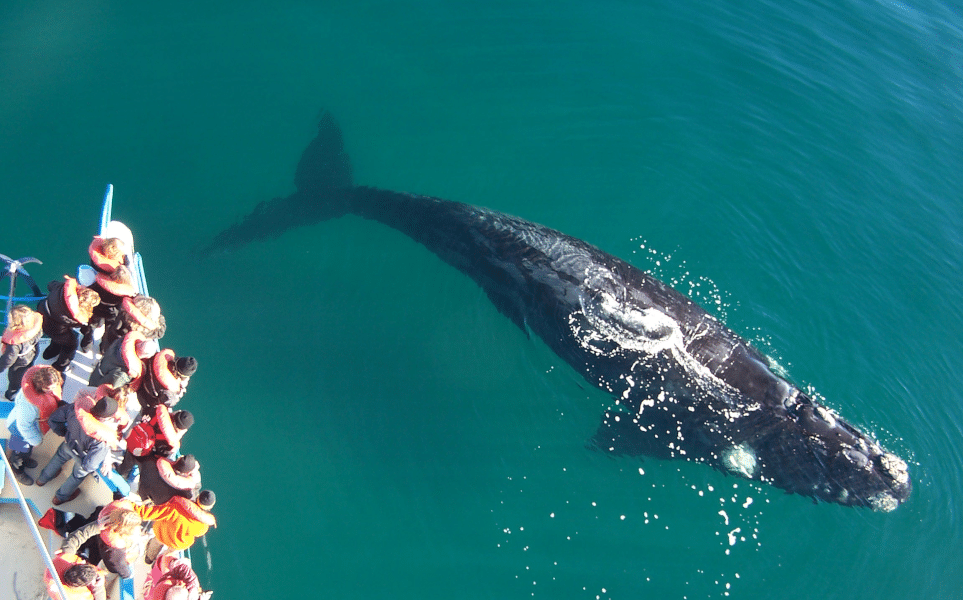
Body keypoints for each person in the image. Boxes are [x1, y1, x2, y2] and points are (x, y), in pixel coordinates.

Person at [36, 396, 124, 505]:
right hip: (83, 457)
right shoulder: (102, 439)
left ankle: (41, 480)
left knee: (58, 458)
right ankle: (59, 498)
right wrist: (85, 465)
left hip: (69, 444)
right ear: (108, 417)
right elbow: (90, 465)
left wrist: (64, 433)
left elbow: (53, 420)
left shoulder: (76, 409)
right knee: (77, 476)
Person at [4, 365, 63, 485]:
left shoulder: (34, 391)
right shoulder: (29, 405)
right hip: (19, 430)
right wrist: (36, 441)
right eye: (52, 387)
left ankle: (24, 459)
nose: (55, 388)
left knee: (27, 450)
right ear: (43, 387)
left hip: (28, 425)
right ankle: (17, 469)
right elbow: (23, 426)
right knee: (21, 452)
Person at [59, 499, 145, 579]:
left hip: (95, 534)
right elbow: (117, 565)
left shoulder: (107, 512)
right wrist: (127, 575)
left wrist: (96, 526)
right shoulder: (115, 547)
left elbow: (76, 537)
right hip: (103, 549)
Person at [37, 276, 101, 373]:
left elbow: (50, 284)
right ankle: (60, 366)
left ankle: (50, 353)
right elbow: (82, 326)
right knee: (71, 344)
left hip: (41, 314)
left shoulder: (61, 288)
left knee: (57, 339)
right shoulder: (76, 317)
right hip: (56, 329)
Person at [133, 490, 216, 564]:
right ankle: (158, 565)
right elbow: (197, 534)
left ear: (198, 497)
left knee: (156, 543)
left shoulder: (176, 505)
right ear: (210, 507)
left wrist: (132, 507)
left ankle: (148, 559)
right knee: (169, 555)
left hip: (162, 532)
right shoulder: (203, 525)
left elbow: (151, 513)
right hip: (178, 543)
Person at [87, 265, 137, 353]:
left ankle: (86, 345)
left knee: (91, 326)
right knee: (107, 333)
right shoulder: (125, 293)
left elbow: (90, 290)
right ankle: (103, 349)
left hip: (97, 311)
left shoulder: (101, 284)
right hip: (111, 315)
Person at [1, 305, 43, 399]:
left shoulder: (15, 344)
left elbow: (8, 359)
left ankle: (12, 395)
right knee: (27, 368)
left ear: (17, 323)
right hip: (31, 353)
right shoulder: (35, 327)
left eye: (10, 317)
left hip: (19, 362)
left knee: (15, 380)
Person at [88, 330, 152, 389]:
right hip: (97, 383)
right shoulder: (125, 373)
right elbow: (107, 387)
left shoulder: (122, 341)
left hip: (98, 370)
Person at [100, 293, 164, 351]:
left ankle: (103, 349)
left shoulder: (123, 315)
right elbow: (161, 329)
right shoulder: (153, 331)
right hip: (120, 346)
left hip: (112, 338)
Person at [143, 555, 210, 600]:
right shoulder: (162, 585)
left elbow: (181, 567)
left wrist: (192, 587)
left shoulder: (162, 586)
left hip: (153, 584)